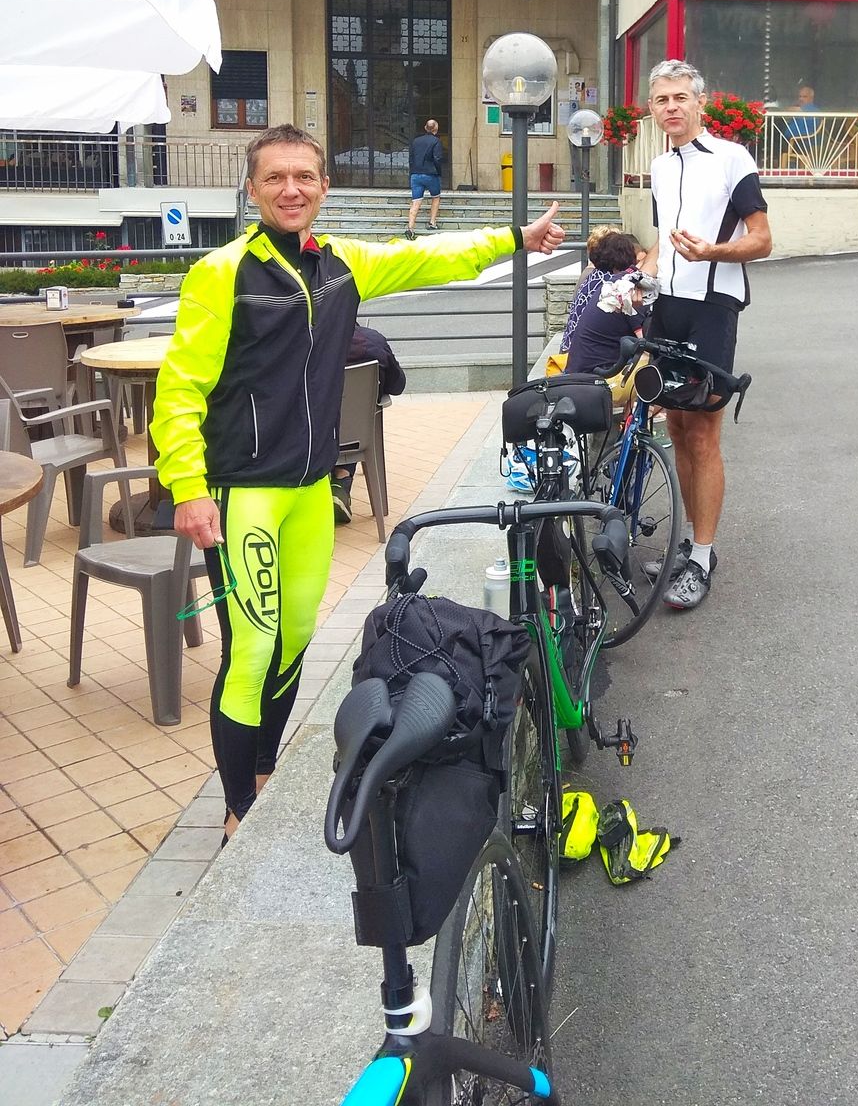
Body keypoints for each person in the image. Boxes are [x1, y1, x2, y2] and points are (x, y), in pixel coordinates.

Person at [152, 123, 564, 839]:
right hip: (242, 491)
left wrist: (514, 239)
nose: (290, 190)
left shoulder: (341, 264)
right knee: (251, 649)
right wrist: (187, 486)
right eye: (275, 178)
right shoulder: (222, 273)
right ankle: (237, 808)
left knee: (295, 637)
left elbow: (426, 257)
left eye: (303, 177)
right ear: (252, 189)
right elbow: (180, 388)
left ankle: (263, 772)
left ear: (323, 186)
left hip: (312, 489)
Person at [640, 60, 772, 611]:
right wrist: (638, 276)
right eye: (661, 99)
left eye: (680, 97)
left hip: (712, 308)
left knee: (703, 434)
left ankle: (702, 556)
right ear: (652, 108)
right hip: (667, 306)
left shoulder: (731, 158)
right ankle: (689, 543)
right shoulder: (658, 166)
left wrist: (713, 251)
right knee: (675, 426)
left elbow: (762, 239)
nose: (671, 107)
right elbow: (662, 240)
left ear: (700, 103)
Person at [331, 321, 405, 525]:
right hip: (357, 434)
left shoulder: (306, 344)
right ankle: (341, 482)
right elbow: (397, 386)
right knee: (353, 414)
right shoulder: (374, 341)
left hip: (314, 436)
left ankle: (330, 486)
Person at [563, 231, 646, 375]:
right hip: (595, 375)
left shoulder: (594, 277)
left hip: (575, 363)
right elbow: (644, 341)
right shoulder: (623, 287)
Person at [406, 119, 444, 239]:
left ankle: (410, 228)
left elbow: (411, 158)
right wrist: (439, 172)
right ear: (436, 129)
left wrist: (413, 171)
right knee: (436, 197)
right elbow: (437, 158)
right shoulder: (436, 141)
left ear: (425, 128)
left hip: (416, 174)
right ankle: (432, 223)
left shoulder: (415, 141)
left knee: (416, 201)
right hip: (431, 174)